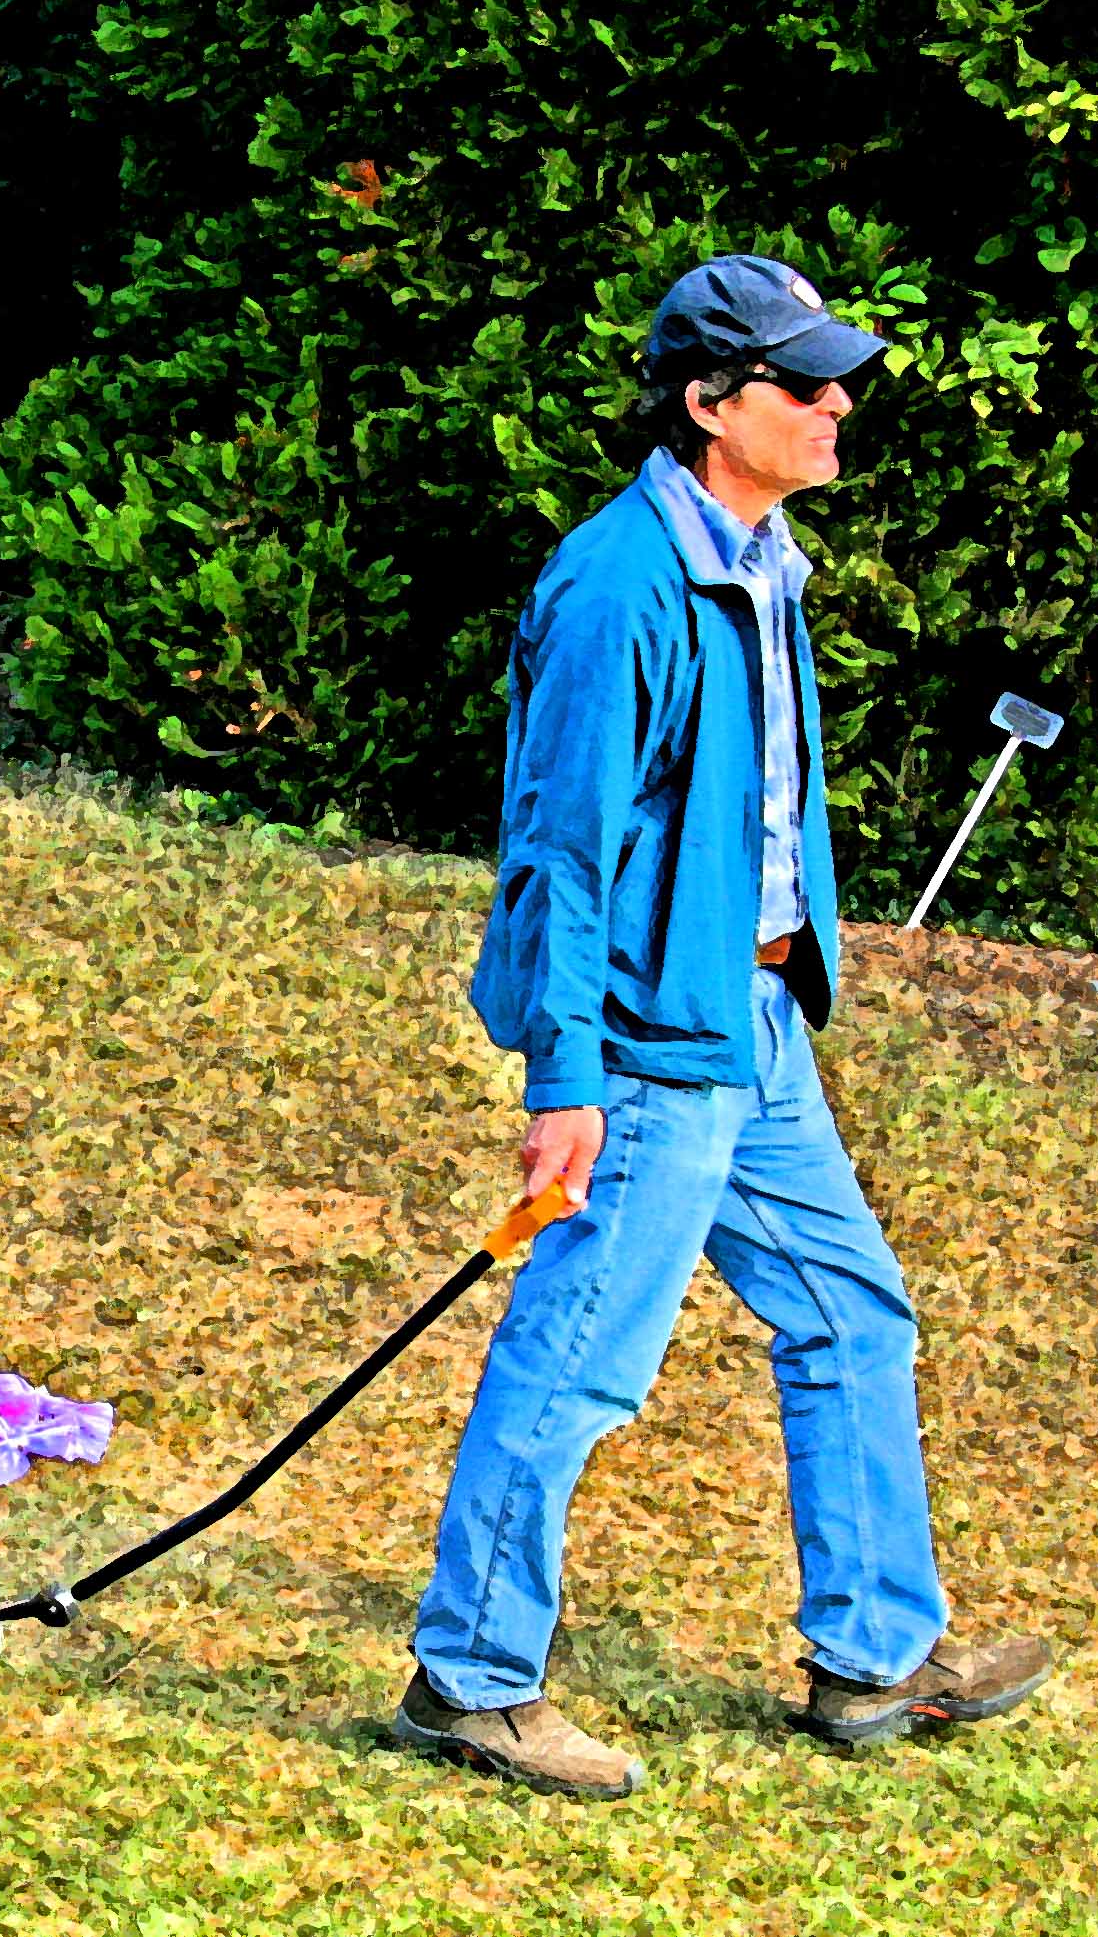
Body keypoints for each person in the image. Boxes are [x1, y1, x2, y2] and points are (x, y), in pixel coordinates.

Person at [389, 254, 1052, 1799]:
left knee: (852, 1313)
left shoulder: (760, 558)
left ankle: (878, 1652)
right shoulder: (621, 587)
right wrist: (567, 1079)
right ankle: (470, 1680)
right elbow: (555, 851)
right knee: (579, 1355)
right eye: (801, 384)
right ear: (707, 404)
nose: (835, 406)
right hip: (643, 1045)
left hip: (753, 1024)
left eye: (835, 380)